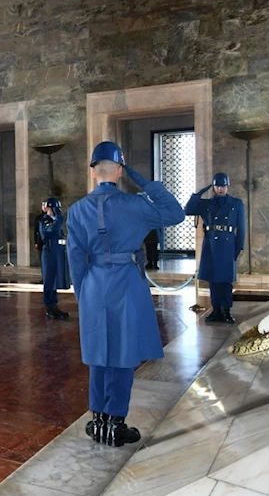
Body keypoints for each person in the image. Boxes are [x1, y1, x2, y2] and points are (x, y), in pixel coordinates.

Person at [66, 141, 184, 447]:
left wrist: (84, 293)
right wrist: (144, 181)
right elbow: (175, 212)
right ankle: (115, 423)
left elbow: (76, 261)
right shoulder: (136, 205)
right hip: (126, 284)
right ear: (119, 170)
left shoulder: (77, 211)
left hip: (93, 284)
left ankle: (98, 420)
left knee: (98, 354)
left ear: (93, 172)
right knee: (122, 353)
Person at [184, 172, 246, 323]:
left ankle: (226, 311)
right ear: (213, 187)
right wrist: (199, 193)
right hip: (211, 244)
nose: (220, 189)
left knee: (225, 281)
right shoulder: (206, 204)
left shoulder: (236, 203)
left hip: (227, 244)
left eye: (223, 186)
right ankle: (216, 310)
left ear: (227, 186)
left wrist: (239, 247)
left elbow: (241, 227)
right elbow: (187, 210)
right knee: (213, 280)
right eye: (217, 186)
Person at [39, 197, 70, 320]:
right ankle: (49, 307)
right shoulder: (45, 220)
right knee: (49, 280)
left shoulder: (56, 220)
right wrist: (58, 220)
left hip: (57, 253)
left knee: (55, 280)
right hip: (49, 253)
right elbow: (47, 233)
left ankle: (54, 306)